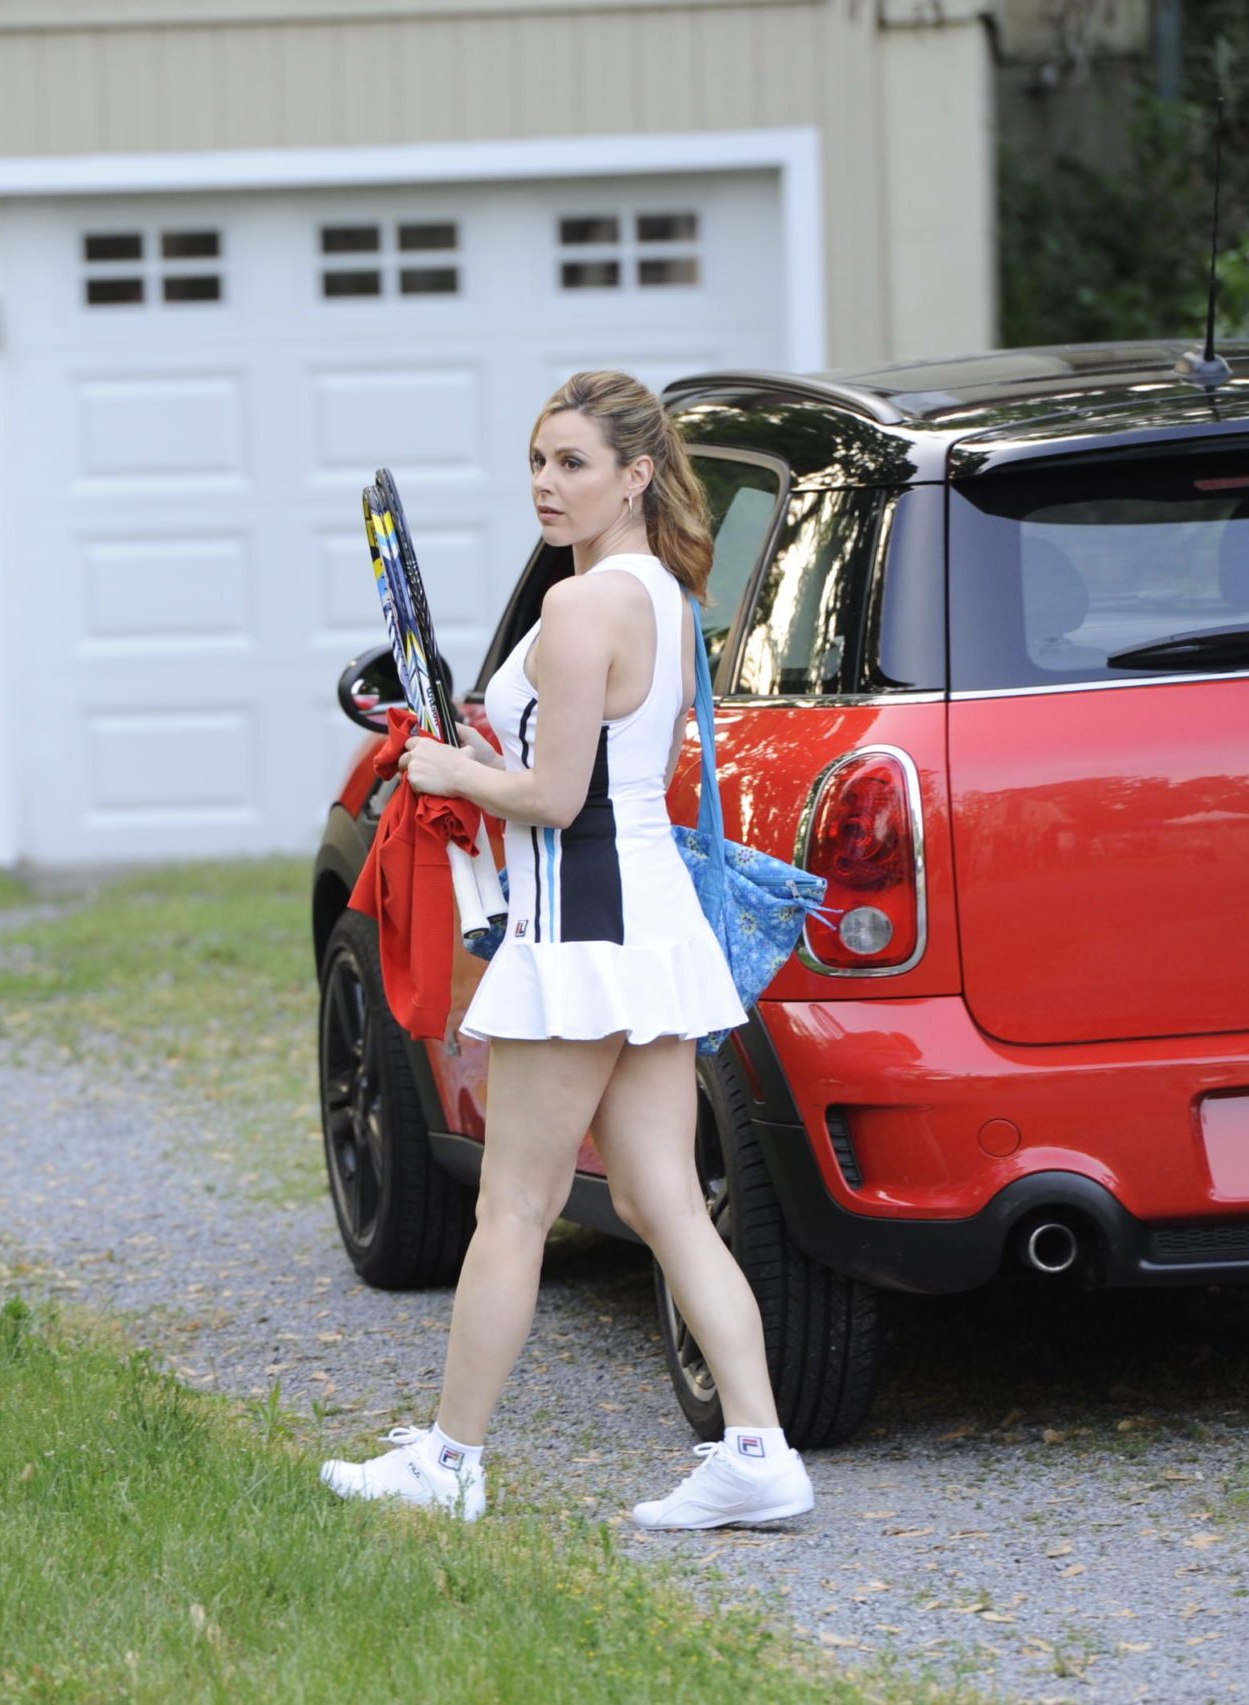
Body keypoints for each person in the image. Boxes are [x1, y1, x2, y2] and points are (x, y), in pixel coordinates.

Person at [318, 370, 813, 1530]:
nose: (545, 483)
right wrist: (486, 754)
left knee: (512, 1205)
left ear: (636, 474)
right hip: (642, 920)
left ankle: (448, 1462)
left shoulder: (585, 605)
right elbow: (589, 772)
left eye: (572, 463)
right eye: (538, 461)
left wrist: (452, 769)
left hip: (586, 926)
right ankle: (758, 1451)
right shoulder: (660, 591)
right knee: (662, 1199)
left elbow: (554, 796)